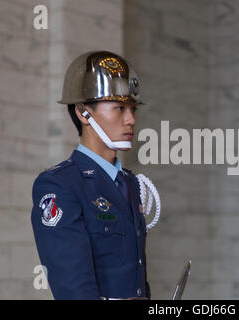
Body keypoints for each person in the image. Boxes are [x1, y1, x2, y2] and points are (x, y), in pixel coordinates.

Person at [31, 51, 150, 300]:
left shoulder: (130, 183)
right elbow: (73, 290)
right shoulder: (60, 185)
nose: (131, 120)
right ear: (83, 113)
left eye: (133, 108)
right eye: (119, 108)